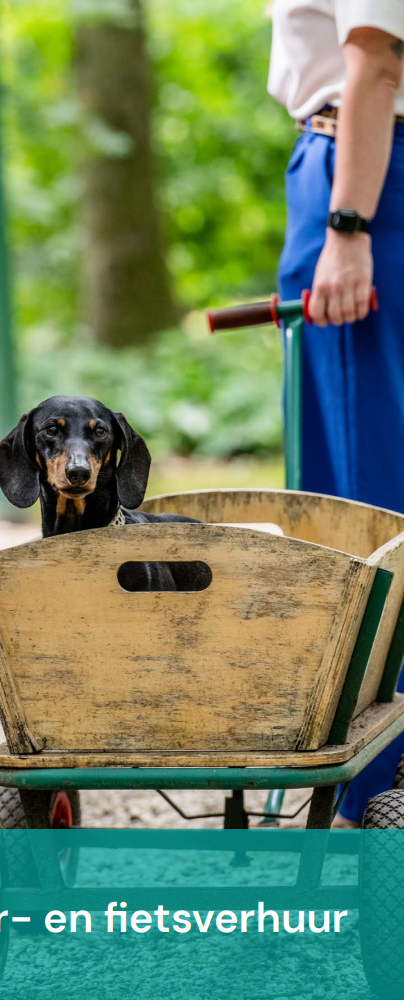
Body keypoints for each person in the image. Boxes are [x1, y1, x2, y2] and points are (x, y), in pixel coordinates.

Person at [269, 1, 404, 824]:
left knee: (363, 494)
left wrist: (346, 224)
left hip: (366, 172)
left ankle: (375, 782)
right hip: (350, 159)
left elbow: (378, 60)